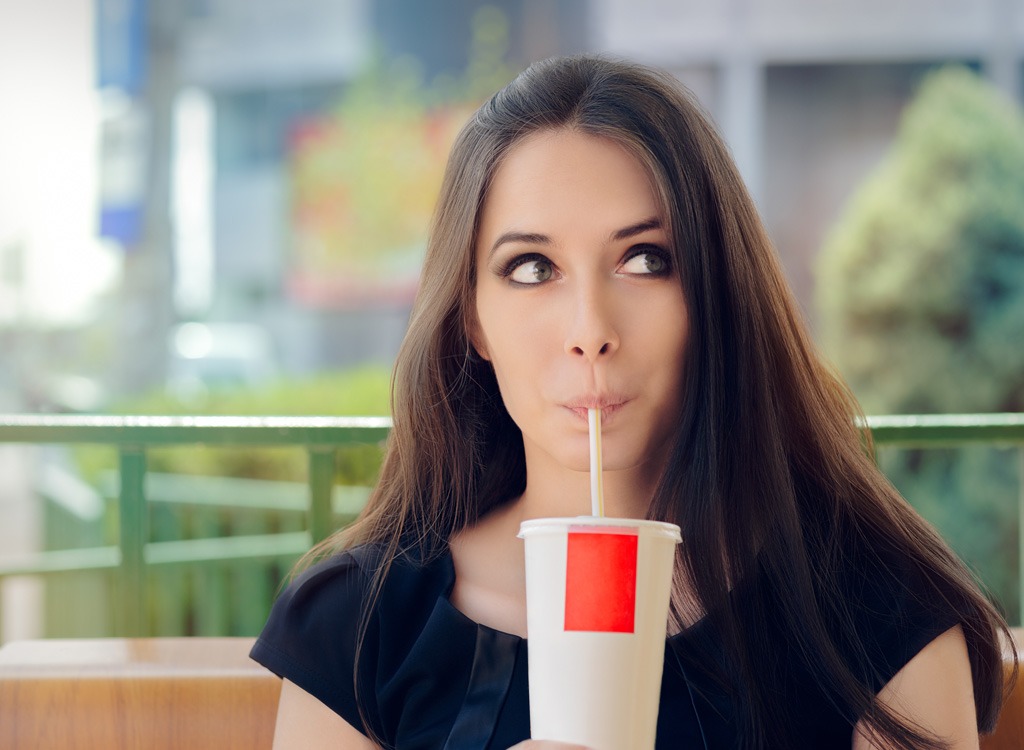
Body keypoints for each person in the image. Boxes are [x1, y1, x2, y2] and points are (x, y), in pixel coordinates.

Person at [251, 55, 1014, 749]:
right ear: (472, 317)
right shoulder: (362, 622)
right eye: (530, 267)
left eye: (645, 260)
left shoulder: (876, 613)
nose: (590, 331)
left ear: (715, 294)